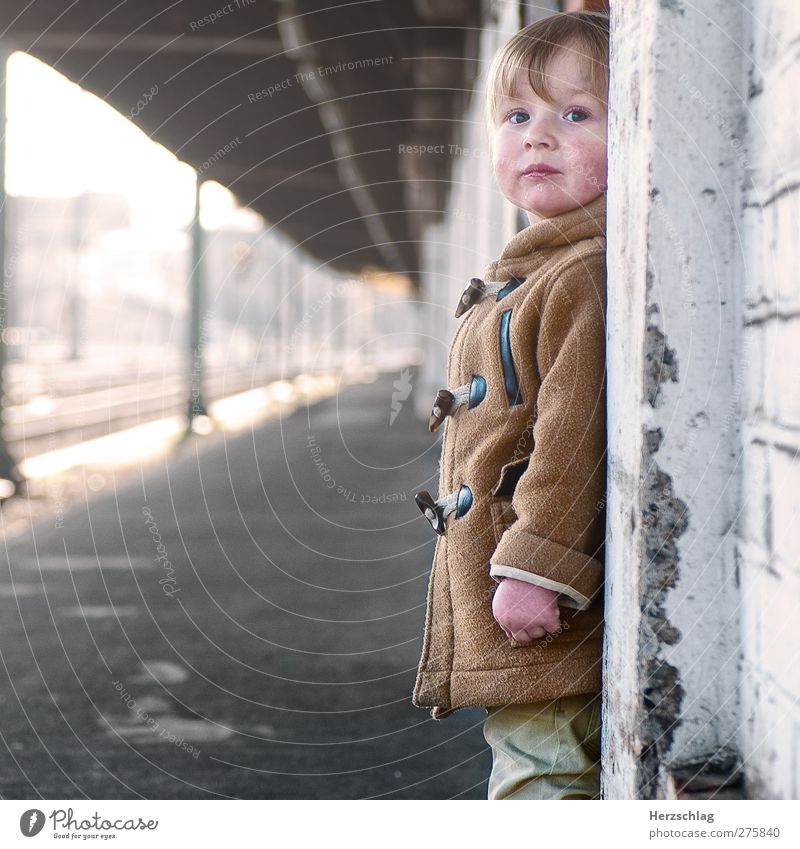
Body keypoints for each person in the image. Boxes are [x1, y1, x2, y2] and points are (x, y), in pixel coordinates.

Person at [412, 10, 610, 800]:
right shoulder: (532, 274)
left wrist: (538, 568)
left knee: (539, 778)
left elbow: (574, 434)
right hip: (515, 606)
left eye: (577, 114)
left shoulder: (578, 277)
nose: (539, 136)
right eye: (518, 115)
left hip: (545, 609)